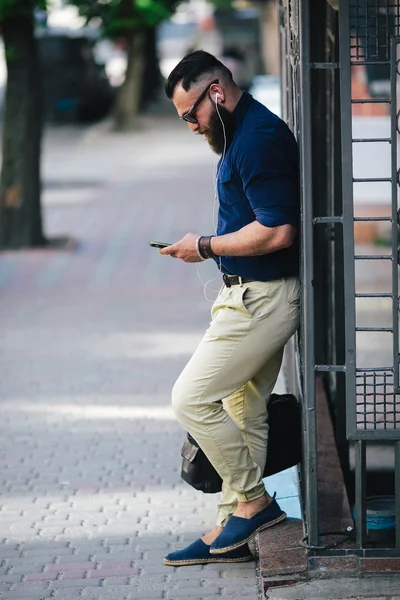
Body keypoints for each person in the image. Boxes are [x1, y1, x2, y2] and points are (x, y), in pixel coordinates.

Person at [160, 51, 300, 567]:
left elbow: (277, 229)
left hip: (263, 298)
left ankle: (255, 503)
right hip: (251, 293)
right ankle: (232, 526)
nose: (190, 126)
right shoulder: (241, 132)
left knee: (191, 398)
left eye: (189, 115)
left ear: (214, 92)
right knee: (245, 412)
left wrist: (205, 245)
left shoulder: (257, 138)